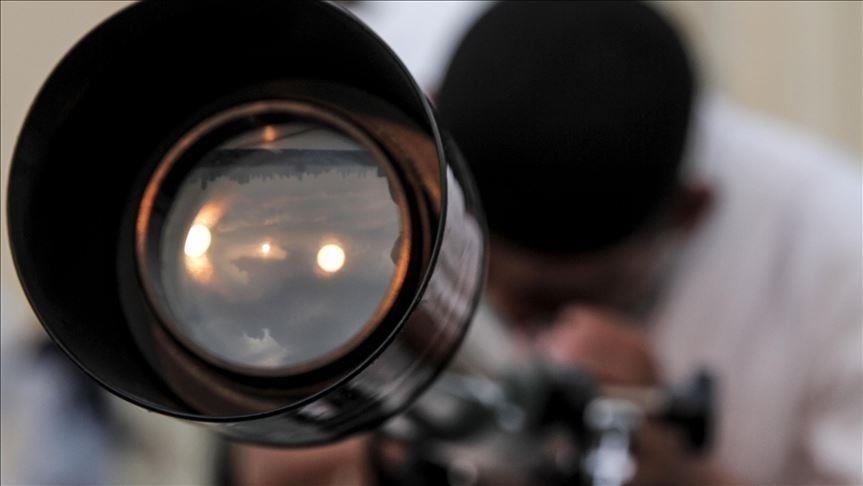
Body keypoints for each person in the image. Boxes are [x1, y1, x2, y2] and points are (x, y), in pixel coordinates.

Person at [236, 2, 862, 484]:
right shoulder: (351, 112)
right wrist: (392, 444)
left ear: (688, 213)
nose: (507, 323)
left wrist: (677, 475)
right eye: (468, 268)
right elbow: (261, 454)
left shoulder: (838, 252)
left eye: (551, 303)